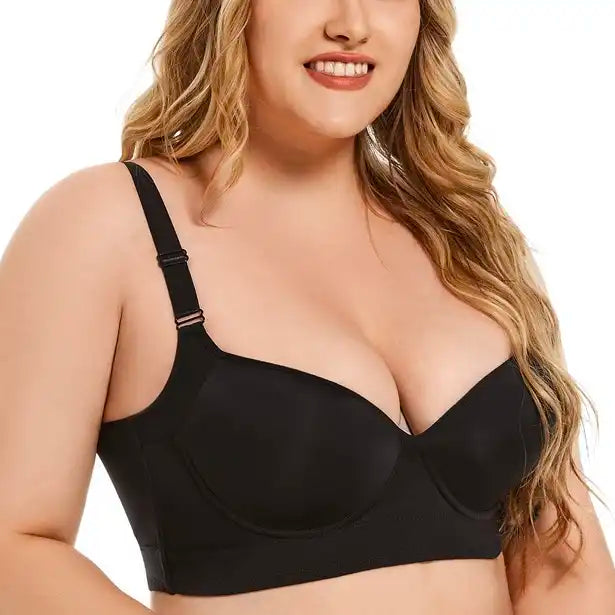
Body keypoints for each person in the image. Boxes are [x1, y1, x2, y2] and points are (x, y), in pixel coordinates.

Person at [1, 0, 614, 614]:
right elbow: (14, 548)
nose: (351, 23)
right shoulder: (112, 225)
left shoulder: (468, 239)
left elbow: (563, 562)